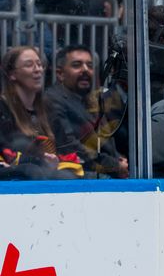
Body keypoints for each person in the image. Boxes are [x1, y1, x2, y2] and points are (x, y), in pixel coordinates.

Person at [45, 45, 128, 178]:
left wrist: (119, 160)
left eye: (89, 65)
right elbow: (70, 146)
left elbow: (103, 141)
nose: (85, 70)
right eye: (77, 65)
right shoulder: (53, 101)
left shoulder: (86, 99)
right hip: (78, 176)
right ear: (60, 74)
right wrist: (115, 165)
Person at [0, 46, 83, 179]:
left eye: (39, 64)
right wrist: (39, 161)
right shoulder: (2, 108)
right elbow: (6, 155)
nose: (38, 69)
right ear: (12, 74)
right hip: (14, 181)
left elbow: (68, 153)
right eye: (29, 65)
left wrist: (57, 164)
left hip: (48, 177)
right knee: (32, 171)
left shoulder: (49, 109)